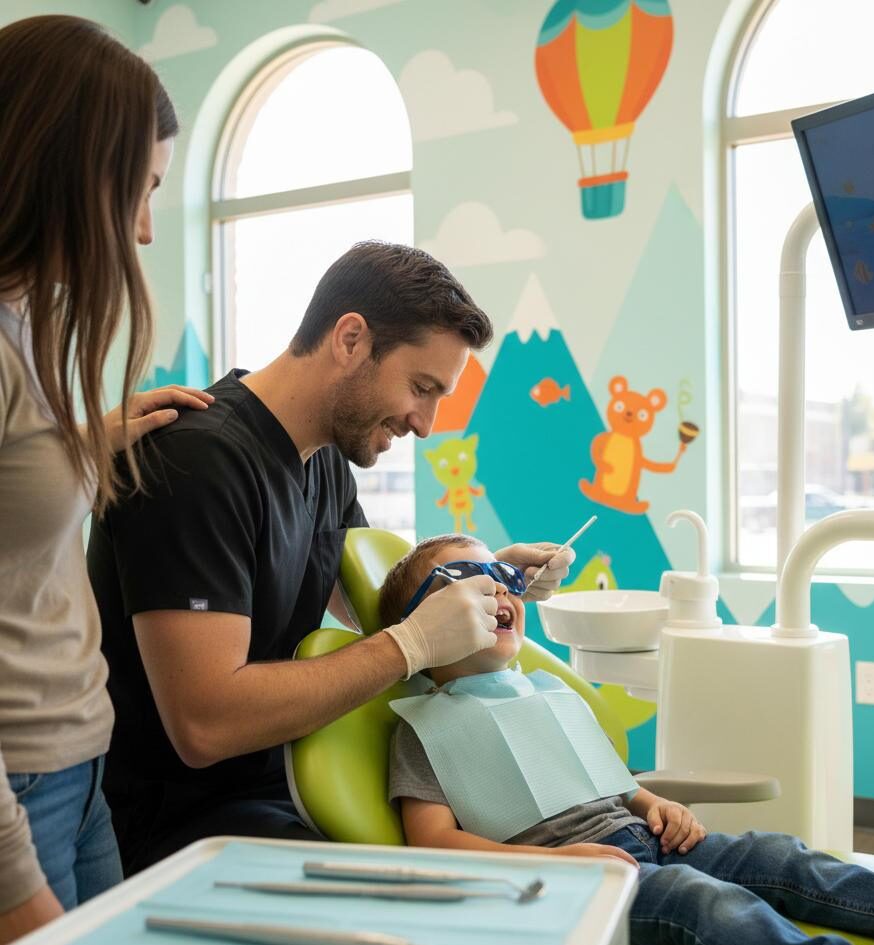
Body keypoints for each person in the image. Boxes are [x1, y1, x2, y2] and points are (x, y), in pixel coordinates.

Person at [87, 240, 576, 875]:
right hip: (178, 829)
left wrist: (485, 578)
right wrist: (411, 646)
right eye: (421, 388)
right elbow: (204, 723)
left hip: (277, 790)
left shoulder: (322, 463)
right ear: (350, 340)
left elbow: (382, 605)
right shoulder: (196, 464)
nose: (425, 424)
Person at [381, 534, 874, 945]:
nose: (497, 588)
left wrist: (649, 804)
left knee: (779, 857)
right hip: (573, 885)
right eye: (466, 581)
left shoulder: (542, 690)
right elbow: (436, 843)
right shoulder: (425, 728)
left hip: (644, 840)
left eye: (501, 575)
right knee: (706, 904)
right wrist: (562, 865)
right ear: (425, 625)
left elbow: (601, 776)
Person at [0, 15, 215, 943]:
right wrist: (14, 884)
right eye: (142, 189)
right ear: (69, 168)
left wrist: (91, 432)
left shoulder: (31, 325)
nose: (144, 228)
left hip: (81, 762)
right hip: (16, 798)